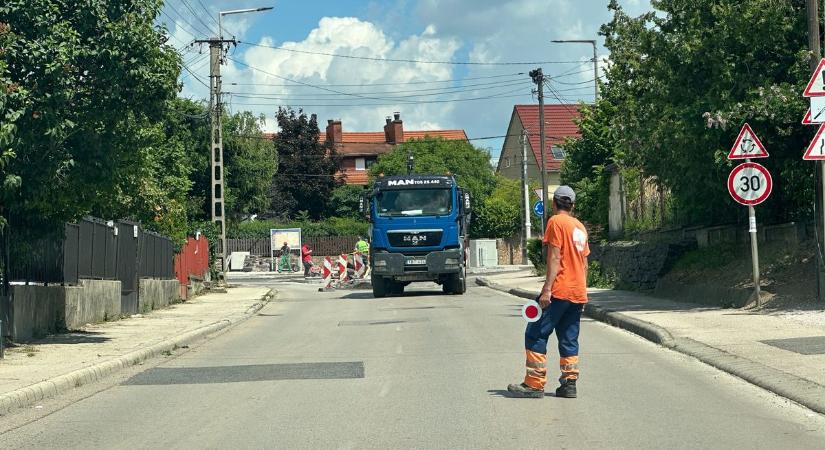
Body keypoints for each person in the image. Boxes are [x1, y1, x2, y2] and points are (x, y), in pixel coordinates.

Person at [507, 186, 590, 399]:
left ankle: (534, 384)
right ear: (572, 205)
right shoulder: (580, 227)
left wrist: (547, 289)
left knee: (535, 333)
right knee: (569, 338)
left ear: (554, 203)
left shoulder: (555, 222)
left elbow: (554, 257)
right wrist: (582, 290)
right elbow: (585, 264)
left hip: (559, 290)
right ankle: (569, 384)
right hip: (577, 291)